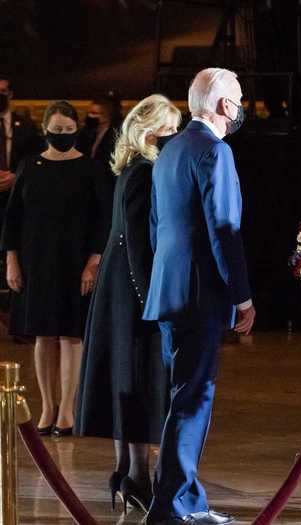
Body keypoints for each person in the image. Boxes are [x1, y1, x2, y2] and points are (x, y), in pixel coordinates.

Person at [143, 68, 256, 525]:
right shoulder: (216, 150)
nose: (243, 106)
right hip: (199, 294)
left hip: (169, 289)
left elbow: (156, 226)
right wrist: (242, 297)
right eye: (241, 98)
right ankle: (173, 506)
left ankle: (182, 497)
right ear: (226, 106)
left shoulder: (170, 150)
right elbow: (224, 231)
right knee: (193, 398)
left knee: (182, 397)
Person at [75, 95, 181, 514]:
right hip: (132, 290)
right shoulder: (145, 172)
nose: (176, 137)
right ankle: (135, 475)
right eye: (171, 129)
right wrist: (149, 300)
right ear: (153, 131)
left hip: (119, 287)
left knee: (127, 375)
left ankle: (125, 472)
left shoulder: (129, 170)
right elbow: (139, 245)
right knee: (136, 376)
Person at [0, 100, 110, 437]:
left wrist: (93, 262)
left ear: (76, 129)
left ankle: (67, 409)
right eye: (56, 129)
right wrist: (11, 260)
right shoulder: (29, 166)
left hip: (76, 263)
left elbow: (102, 222)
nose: (61, 134)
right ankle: (47, 406)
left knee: (71, 336)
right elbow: (13, 218)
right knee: (43, 335)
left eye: (67, 129)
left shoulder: (91, 169)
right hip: (37, 263)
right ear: (46, 129)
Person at [0, 75, 43, 223]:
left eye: (2, 91)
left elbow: (36, 160)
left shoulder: (26, 126)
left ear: (10, 94)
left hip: (17, 197)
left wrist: (16, 177)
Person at [77, 94, 121, 171]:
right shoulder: (88, 132)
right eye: (89, 112)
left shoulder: (115, 135)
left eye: (94, 113)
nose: (90, 116)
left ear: (107, 116)